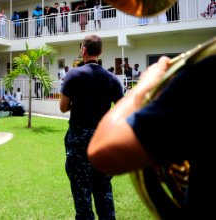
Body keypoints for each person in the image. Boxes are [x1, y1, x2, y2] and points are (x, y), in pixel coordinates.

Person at [87, 41, 216, 218]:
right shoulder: (111, 79)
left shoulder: (208, 72)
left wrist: (143, 88)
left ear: (84, 50)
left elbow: (102, 150)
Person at [59, 35, 123, 220]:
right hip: (104, 140)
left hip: (79, 140)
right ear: (101, 52)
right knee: (103, 189)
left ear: (83, 51)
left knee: (82, 193)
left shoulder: (73, 75)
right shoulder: (112, 79)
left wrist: (78, 103)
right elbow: (122, 111)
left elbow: (63, 107)